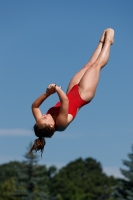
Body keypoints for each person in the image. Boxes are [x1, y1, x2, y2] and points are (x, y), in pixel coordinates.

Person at [29, 28, 114, 156]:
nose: (42, 116)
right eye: (43, 118)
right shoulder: (61, 124)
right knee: (96, 66)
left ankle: (101, 42)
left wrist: (47, 93)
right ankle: (109, 41)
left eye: (40, 117)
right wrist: (56, 89)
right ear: (51, 126)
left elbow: (34, 106)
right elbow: (65, 101)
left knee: (88, 65)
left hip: (71, 91)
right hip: (83, 94)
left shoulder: (42, 123)